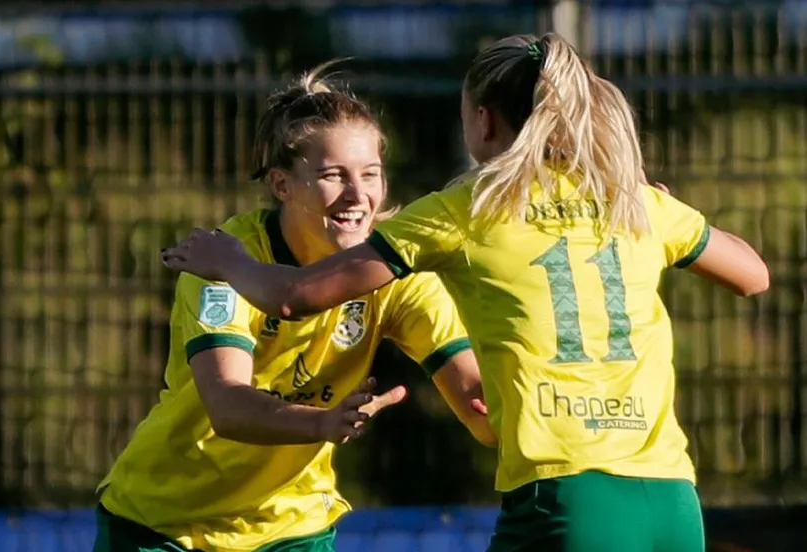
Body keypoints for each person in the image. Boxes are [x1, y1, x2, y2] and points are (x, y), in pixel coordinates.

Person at [162, 33, 770, 552]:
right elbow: (753, 274)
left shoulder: (468, 208)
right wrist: (651, 198)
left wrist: (228, 261)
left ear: (482, 120)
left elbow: (296, 296)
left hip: (567, 497)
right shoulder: (633, 202)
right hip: (672, 500)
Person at [95, 62, 496, 552]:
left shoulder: (394, 271)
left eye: (371, 174)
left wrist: (520, 414)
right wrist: (322, 423)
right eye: (333, 175)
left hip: (292, 527)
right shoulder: (225, 261)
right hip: (164, 525)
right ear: (283, 185)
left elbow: (475, 393)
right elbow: (228, 406)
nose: (357, 195)